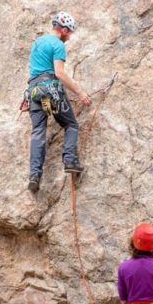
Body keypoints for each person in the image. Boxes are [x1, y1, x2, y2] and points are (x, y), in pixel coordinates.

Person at [26, 12, 92, 192]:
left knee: (38, 131)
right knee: (71, 124)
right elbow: (59, 73)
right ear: (63, 29)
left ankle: (34, 175)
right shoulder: (58, 45)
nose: (69, 37)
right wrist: (80, 93)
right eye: (69, 32)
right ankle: (70, 160)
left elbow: (34, 71)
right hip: (51, 88)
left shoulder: (37, 42)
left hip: (34, 90)